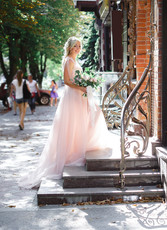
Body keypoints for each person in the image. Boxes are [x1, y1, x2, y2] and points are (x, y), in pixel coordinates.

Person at [19, 36, 110, 189]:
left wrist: (87, 82)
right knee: (74, 122)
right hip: (73, 95)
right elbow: (67, 81)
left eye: (79, 46)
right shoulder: (68, 60)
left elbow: (77, 77)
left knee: (88, 117)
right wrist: (81, 87)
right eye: (75, 46)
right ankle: (72, 152)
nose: (78, 48)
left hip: (79, 94)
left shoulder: (75, 61)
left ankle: (83, 145)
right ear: (70, 47)